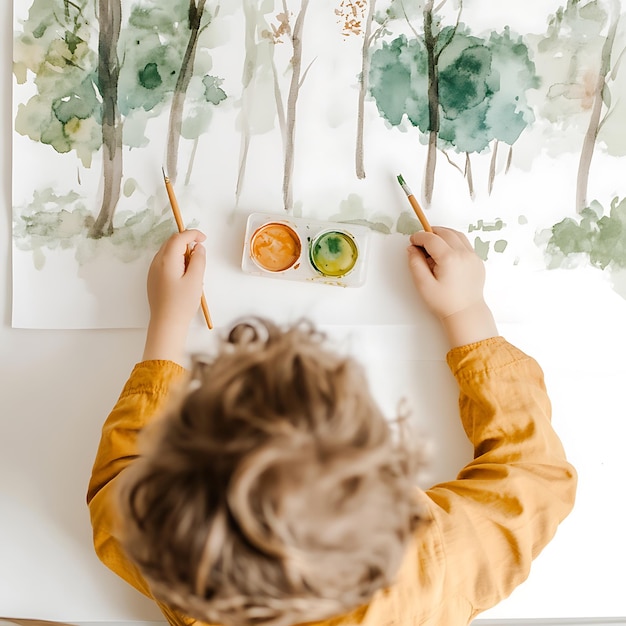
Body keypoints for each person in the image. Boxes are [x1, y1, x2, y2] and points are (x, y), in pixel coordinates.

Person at [87, 227, 577, 626]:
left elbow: (118, 478)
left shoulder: (180, 564)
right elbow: (534, 474)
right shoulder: (430, 567)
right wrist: (467, 310)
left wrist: (168, 325)